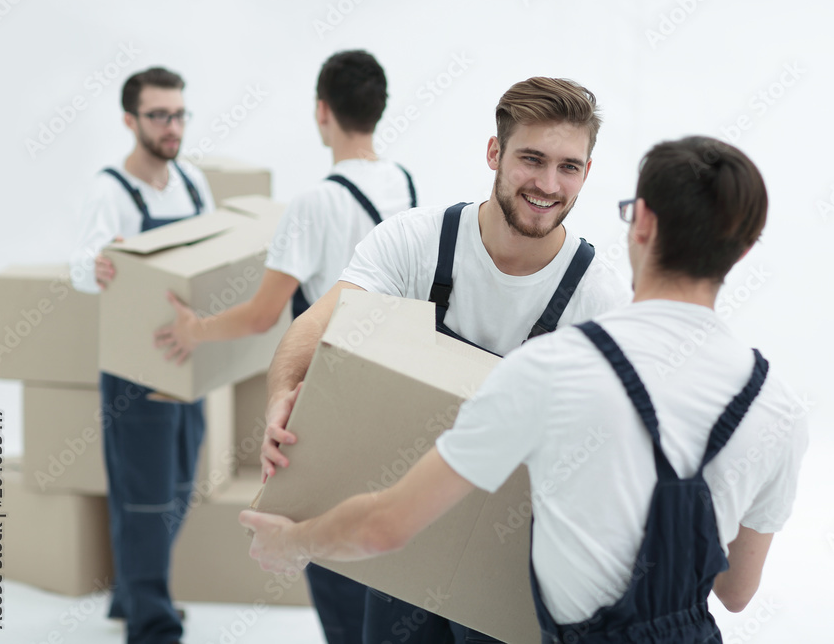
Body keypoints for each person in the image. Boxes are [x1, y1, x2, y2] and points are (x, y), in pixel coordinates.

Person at [240, 136, 809, 644]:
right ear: (744, 250)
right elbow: (735, 593)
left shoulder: (555, 367)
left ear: (642, 223)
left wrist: (293, 542)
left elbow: (388, 526)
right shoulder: (777, 408)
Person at [250, 76, 632, 643]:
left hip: (508, 558)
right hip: (402, 529)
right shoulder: (416, 242)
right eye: (532, 159)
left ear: (587, 172)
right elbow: (316, 328)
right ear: (494, 152)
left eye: (569, 167)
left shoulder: (599, 299)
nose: (549, 184)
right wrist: (283, 396)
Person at [152, 49, 416, 644]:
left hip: (332, 402)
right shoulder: (402, 183)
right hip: (395, 395)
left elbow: (262, 315)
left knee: (328, 552)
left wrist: (193, 329)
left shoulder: (313, 204)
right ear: (379, 110)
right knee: (383, 553)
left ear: (322, 111)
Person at [69, 67, 216, 644]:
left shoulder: (194, 184)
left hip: (188, 359)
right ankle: (151, 624)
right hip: (135, 369)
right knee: (144, 496)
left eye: (179, 114)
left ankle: (130, 593)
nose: (172, 126)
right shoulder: (109, 189)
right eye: (159, 115)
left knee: (179, 483)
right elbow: (81, 266)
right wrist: (99, 265)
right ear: (131, 121)